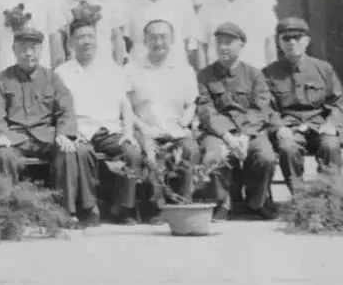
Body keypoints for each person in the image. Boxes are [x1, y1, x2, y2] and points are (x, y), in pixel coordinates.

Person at [0, 28, 96, 225]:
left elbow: (66, 108)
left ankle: (66, 211)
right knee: (4, 155)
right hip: (16, 137)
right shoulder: (3, 79)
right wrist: (0, 134)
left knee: (67, 150)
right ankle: (10, 215)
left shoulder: (52, 78)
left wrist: (64, 134)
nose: (28, 53)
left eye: (33, 48)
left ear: (40, 50)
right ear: (14, 50)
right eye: (23, 48)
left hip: (46, 135)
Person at [55, 19, 141, 225]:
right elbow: (59, 109)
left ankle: (123, 207)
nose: (86, 41)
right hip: (80, 131)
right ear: (71, 43)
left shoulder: (112, 69)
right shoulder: (62, 73)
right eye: (80, 37)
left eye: (90, 36)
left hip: (110, 130)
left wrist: (129, 133)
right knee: (81, 152)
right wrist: (70, 131)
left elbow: (126, 106)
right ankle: (90, 207)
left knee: (132, 152)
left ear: (97, 40)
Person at [196, 22, 279, 221]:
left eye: (229, 42)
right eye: (219, 43)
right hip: (217, 132)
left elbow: (261, 108)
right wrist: (227, 135)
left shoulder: (255, 74)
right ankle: (222, 203)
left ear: (241, 45)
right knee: (215, 154)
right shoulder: (205, 76)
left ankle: (256, 201)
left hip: (251, 131)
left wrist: (245, 135)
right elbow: (206, 110)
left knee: (265, 156)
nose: (223, 47)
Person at [126, 19, 200, 221]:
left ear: (173, 39)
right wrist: (143, 128)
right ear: (144, 41)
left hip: (175, 129)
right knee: (153, 156)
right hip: (144, 130)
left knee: (190, 150)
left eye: (163, 37)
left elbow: (192, 104)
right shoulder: (132, 70)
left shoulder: (184, 70)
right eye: (153, 37)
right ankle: (156, 209)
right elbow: (126, 108)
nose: (158, 42)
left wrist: (183, 124)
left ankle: (182, 205)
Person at [263, 17, 343, 190]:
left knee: (330, 145)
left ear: (307, 40)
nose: (292, 42)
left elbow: (338, 101)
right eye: (286, 38)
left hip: (319, 126)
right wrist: (278, 127)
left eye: (297, 37)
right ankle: (299, 197)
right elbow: (265, 106)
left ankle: (330, 196)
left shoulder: (323, 69)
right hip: (289, 127)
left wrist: (332, 123)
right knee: (287, 148)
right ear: (279, 42)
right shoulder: (269, 73)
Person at [125, 0, 201, 68]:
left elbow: (191, 41)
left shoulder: (182, 2)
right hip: (141, 67)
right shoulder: (132, 5)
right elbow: (127, 40)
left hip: (174, 66)